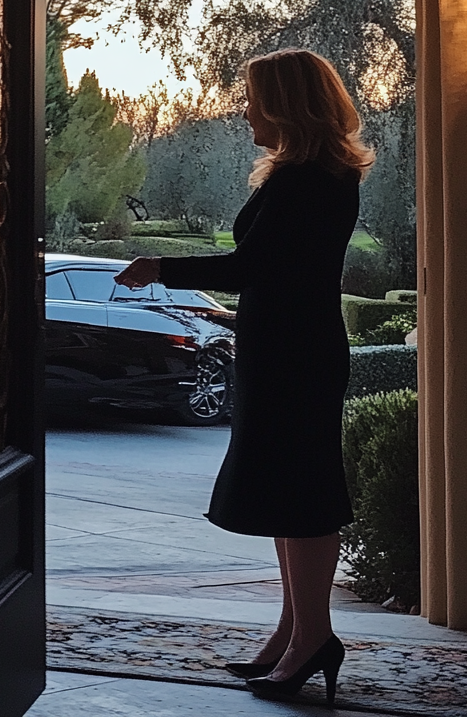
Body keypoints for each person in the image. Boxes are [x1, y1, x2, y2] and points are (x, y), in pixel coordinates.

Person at [115, 48, 374, 705]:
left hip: (296, 357)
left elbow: (247, 267)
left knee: (306, 494)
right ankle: (295, 632)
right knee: (290, 490)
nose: (247, 110)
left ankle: (311, 636)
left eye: (257, 98)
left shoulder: (305, 180)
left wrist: (158, 267)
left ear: (287, 104)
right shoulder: (315, 174)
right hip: (290, 349)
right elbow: (280, 272)